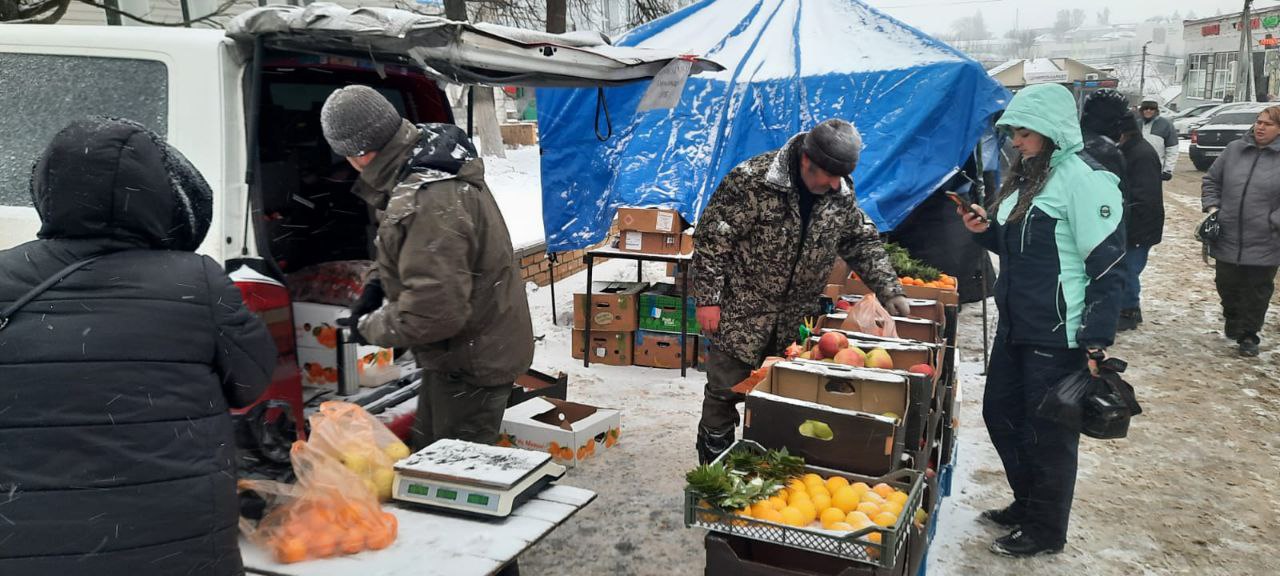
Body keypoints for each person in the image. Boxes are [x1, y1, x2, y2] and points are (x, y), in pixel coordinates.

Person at [0, 117, 275, 574]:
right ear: (161, 193)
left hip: (29, 546)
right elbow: (252, 382)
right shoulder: (196, 280)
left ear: (46, 188)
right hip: (176, 549)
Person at [956, 84, 1126, 557]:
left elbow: (1108, 264)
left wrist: (1095, 339)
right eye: (1012, 132)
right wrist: (986, 232)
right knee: (1002, 414)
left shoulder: (1084, 179)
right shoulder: (1029, 178)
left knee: (1048, 433)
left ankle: (1046, 528)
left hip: (1058, 331)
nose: (1015, 141)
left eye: (1024, 132)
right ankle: (1027, 502)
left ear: (1051, 132)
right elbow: (1022, 249)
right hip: (1017, 324)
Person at [319, 85, 534, 449]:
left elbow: (437, 312)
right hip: (456, 355)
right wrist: (375, 288)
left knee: (456, 477)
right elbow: (408, 249)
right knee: (427, 454)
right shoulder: (419, 167)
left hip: (473, 361)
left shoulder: (429, 194)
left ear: (359, 153)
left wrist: (369, 329)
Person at [691, 118, 910, 464]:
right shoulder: (752, 180)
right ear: (807, 161)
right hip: (743, 313)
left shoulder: (838, 193)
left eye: (840, 177)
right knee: (723, 392)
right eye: (830, 175)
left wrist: (889, 287)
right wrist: (707, 300)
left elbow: (860, 239)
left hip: (796, 320)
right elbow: (712, 241)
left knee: (784, 397)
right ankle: (713, 466)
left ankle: (766, 467)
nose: (836, 184)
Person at [1201, 105, 1280, 357]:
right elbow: (1212, 179)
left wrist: (1273, 221)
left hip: (1266, 239)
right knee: (1226, 284)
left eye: (1268, 124)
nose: (1260, 127)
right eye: (1259, 122)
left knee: (1257, 290)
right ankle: (1232, 316)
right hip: (1228, 234)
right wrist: (1214, 208)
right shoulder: (1234, 150)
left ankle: (1249, 334)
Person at [1083, 90, 1164, 331]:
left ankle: (1129, 310)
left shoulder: (1141, 155)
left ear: (1125, 133)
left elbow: (1143, 197)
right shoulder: (1127, 151)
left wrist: (1126, 225)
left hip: (1139, 227)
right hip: (1132, 224)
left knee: (1128, 271)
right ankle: (1127, 307)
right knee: (1124, 269)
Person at [1138, 99, 1179, 181]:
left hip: (1156, 171)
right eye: (1145, 108)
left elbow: (1172, 149)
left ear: (1156, 110)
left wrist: (1168, 170)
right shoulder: (1136, 124)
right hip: (1136, 170)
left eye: (1151, 108)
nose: (1148, 111)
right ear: (1142, 110)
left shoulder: (1166, 125)